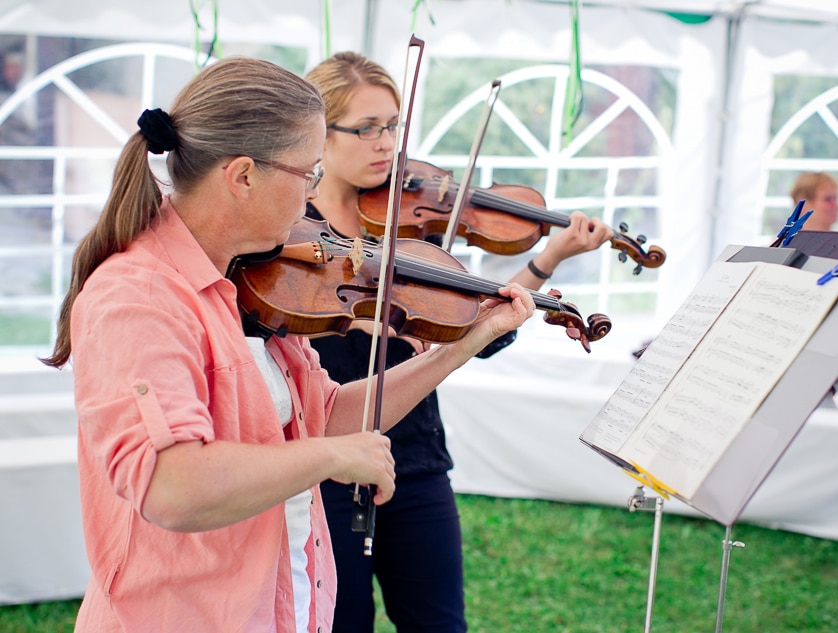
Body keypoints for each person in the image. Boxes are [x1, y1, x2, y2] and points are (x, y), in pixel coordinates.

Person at [39, 56, 534, 633]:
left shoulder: (241, 285)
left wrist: (462, 344)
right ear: (243, 175)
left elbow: (325, 417)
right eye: (309, 174)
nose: (312, 199)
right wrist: (331, 459)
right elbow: (170, 485)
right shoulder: (138, 297)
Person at [303, 51, 612, 633]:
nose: (385, 144)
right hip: (323, 473)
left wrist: (547, 259)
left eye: (393, 126)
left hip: (415, 462)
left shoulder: (408, 226)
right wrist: (344, 317)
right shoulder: (290, 234)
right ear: (319, 133)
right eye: (366, 128)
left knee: (441, 625)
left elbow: (474, 327)